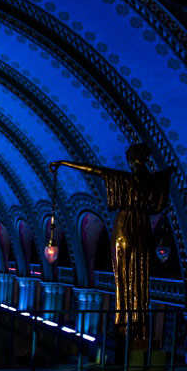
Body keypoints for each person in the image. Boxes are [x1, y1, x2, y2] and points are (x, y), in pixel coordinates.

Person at [50, 142, 172, 339]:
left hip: (124, 225)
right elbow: (161, 190)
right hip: (142, 226)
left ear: (132, 160)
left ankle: (123, 324)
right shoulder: (153, 182)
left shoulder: (123, 179)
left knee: (123, 274)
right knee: (139, 273)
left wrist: (65, 163)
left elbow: (95, 170)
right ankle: (138, 325)